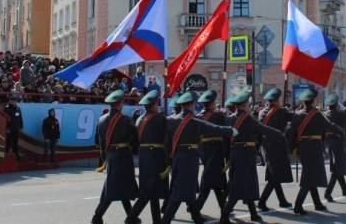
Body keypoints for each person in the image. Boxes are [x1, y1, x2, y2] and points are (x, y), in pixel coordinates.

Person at [161, 91, 237, 224]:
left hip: (177, 158)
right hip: (190, 159)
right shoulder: (196, 121)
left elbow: (167, 144)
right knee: (180, 193)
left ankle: (196, 219)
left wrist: (168, 161)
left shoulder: (171, 120)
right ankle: (165, 220)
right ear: (191, 105)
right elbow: (215, 128)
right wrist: (231, 131)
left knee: (188, 190)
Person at [218, 92, 282, 224]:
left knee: (247, 184)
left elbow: (225, 140)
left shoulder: (229, 119)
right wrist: (278, 133)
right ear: (244, 105)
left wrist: (227, 156)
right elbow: (261, 129)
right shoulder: (248, 119)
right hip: (246, 155)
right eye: (248, 104)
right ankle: (224, 216)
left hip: (235, 153)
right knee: (240, 186)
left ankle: (253, 214)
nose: (249, 106)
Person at [290, 88, 344, 216]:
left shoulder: (296, 114)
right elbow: (329, 125)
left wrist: (293, 148)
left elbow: (292, 133)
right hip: (314, 147)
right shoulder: (317, 114)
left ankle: (317, 203)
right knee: (309, 176)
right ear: (313, 101)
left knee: (310, 174)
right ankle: (298, 205)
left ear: (303, 102)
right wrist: (341, 131)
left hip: (302, 147)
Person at [91, 90, 139, 224]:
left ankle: (131, 216)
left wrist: (104, 158)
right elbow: (135, 139)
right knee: (112, 187)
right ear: (120, 103)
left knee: (120, 185)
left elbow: (101, 142)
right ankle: (97, 216)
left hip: (111, 155)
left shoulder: (101, 119)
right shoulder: (124, 119)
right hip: (123, 156)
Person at [126, 90, 168, 224]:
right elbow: (167, 137)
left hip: (144, 155)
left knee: (151, 190)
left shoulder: (139, 118)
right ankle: (131, 217)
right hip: (156, 156)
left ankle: (156, 220)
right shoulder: (160, 118)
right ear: (154, 104)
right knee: (148, 191)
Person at [257, 88, 294, 211]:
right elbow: (294, 117)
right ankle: (262, 201)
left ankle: (282, 201)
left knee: (274, 174)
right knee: (276, 175)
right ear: (277, 100)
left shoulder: (262, 112)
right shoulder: (281, 111)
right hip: (276, 146)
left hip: (265, 146)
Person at [193, 90, 228, 213]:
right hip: (215, 148)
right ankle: (196, 209)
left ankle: (224, 209)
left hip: (203, 148)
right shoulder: (218, 116)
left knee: (215, 179)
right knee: (210, 180)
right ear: (212, 103)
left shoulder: (197, 117)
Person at [323, 94, 346, 201]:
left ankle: (345, 189)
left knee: (337, 165)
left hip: (327, 142)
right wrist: (345, 108)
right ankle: (328, 192)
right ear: (336, 104)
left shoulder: (324, 114)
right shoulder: (340, 114)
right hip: (338, 142)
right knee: (336, 167)